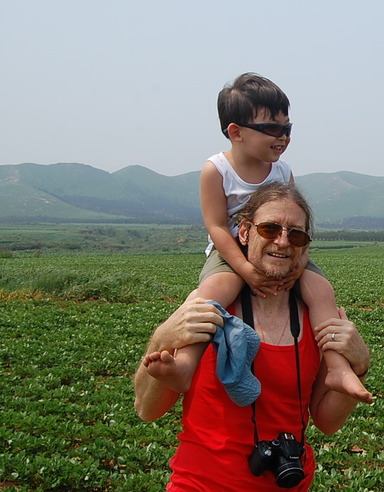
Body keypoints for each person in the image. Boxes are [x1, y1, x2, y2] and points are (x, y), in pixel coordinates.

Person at [134, 182, 371, 490]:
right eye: (269, 229)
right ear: (244, 233)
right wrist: (161, 338)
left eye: (295, 234)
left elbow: (328, 422)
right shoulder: (209, 305)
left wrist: (360, 367)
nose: (283, 242)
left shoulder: (316, 319)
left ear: (306, 246)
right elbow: (147, 410)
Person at [195, 72, 371, 403]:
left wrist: (297, 262)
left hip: (278, 248)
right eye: (273, 129)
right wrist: (245, 271)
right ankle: (184, 361)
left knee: (320, 289)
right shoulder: (216, 170)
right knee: (214, 292)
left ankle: (337, 366)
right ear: (236, 132)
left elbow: (292, 221)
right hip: (230, 252)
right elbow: (217, 226)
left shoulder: (282, 171)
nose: (284, 137)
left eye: (287, 128)